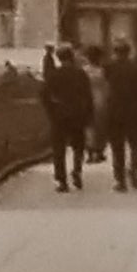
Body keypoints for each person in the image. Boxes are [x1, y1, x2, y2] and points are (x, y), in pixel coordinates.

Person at [42, 45, 92, 192]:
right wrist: (88, 114)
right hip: (77, 115)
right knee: (78, 147)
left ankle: (62, 180)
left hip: (59, 116)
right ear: (71, 57)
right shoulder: (80, 74)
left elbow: (44, 95)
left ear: (59, 58)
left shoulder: (54, 75)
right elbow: (87, 96)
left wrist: (51, 111)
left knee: (59, 149)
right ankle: (77, 170)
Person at [104, 41, 137, 191]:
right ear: (129, 52)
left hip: (115, 111)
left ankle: (120, 180)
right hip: (134, 111)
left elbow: (106, 88)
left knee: (117, 147)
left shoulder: (109, 68)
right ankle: (134, 172)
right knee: (135, 145)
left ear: (115, 52)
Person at [83, 48, 110, 162]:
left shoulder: (84, 71)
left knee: (88, 127)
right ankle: (99, 151)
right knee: (100, 128)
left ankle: (89, 151)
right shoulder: (102, 71)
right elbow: (107, 87)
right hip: (101, 100)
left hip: (87, 100)